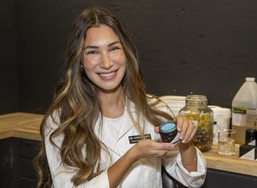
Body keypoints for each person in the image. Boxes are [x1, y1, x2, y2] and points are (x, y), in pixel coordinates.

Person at [33, 7, 207, 188]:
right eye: (93, 52)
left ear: (126, 53)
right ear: (80, 62)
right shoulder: (61, 122)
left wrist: (185, 142)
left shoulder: (153, 109)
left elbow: (193, 180)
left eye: (114, 48)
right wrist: (133, 155)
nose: (107, 63)